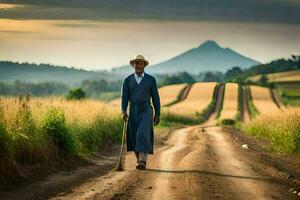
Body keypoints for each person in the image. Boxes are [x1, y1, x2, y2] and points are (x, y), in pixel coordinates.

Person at [121, 55, 161, 170]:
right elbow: (124, 97)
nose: (138, 65)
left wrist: (157, 113)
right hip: (133, 110)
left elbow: (156, 98)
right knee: (133, 137)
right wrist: (123, 110)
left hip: (146, 110)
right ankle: (139, 160)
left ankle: (142, 160)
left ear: (144, 65)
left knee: (142, 134)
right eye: (136, 63)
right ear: (133, 65)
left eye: (140, 63)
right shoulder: (127, 80)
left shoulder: (151, 80)